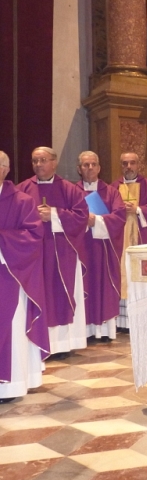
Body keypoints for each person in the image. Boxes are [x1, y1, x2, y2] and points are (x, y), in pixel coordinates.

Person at [18, 147, 88, 358]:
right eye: (34, 161)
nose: (38, 164)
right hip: (33, 254)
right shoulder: (22, 189)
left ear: (54, 162)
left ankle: (61, 344)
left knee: (59, 293)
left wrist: (55, 215)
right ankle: (36, 342)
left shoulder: (69, 189)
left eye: (43, 160)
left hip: (61, 253)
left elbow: (81, 217)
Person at [0, 152, 49, 403]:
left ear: (5, 169)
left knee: (9, 328)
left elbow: (33, 235)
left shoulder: (21, 201)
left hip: (10, 274)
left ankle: (10, 386)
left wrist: (2, 239)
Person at [76, 152, 126, 343]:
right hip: (81, 249)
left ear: (99, 168)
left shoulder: (111, 192)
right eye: (85, 165)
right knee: (84, 284)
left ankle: (104, 330)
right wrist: (82, 220)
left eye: (93, 164)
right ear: (79, 169)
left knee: (102, 285)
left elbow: (120, 216)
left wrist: (95, 220)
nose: (90, 168)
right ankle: (84, 330)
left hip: (104, 249)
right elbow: (66, 216)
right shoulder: (72, 191)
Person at [111, 152, 147, 329]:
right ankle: (121, 321)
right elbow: (107, 211)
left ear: (138, 165)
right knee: (121, 274)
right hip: (119, 239)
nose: (128, 167)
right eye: (125, 163)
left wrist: (138, 209)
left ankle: (143, 316)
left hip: (141, 237)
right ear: (121, 165)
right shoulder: (113, 188)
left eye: (132, 163)